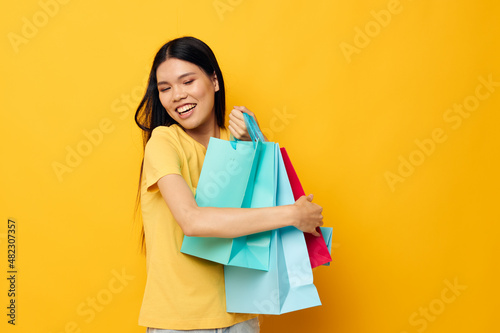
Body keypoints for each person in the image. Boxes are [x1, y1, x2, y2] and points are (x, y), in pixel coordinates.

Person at [134, 36, 323, 332]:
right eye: (165, 88)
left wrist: (254, 147)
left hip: (242, 317)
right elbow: (192, 221)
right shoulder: (164, 142)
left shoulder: (240, 144)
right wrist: (292, 215)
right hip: (179, 322)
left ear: (214, 81)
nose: (177, 95)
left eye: (187, 81)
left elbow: (258, 223)